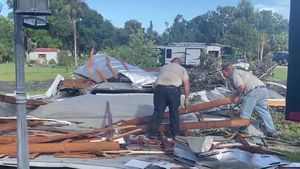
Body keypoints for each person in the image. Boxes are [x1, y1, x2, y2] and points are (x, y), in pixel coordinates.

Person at [221, 64, 277, 137]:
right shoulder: (240, 72)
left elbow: (241, 87)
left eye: (223, 73)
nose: (223, 75)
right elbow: (243, 89)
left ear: (228, 70)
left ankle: (243, 131)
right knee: (264, 112)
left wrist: (235, 96)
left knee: (245, 112)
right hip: (263, 90)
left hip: (254, 91)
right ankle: (272, 131)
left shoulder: (235, 74)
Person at [148, 57, 190, 139]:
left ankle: (152, 133)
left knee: (158, 111)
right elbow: (186, 84)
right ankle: (174, 133)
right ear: (179, 63)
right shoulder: (181, 69)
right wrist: (186, 98)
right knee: (174, 112)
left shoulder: (163, 67)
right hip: (173, 91)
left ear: (171, 62)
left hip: (160, 90)